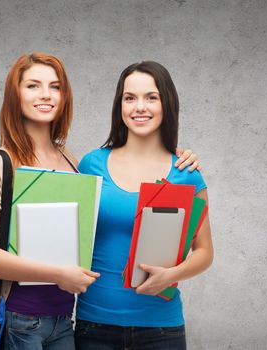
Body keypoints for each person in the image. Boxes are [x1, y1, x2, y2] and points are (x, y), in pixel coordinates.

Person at [0, 53, 202, 349]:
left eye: (55, 86)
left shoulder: (75, 165)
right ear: (15, 96)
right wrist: (58, 274)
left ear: (65, 96)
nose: (46, 95)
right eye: (33, 86)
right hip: (18, 319)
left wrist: (169, 154)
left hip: (64, 321)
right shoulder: (1, 162)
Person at [74, 61, 213, 350]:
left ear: (167, 104)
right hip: (94, 325)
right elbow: (71, 237)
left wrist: (172, 275)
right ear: (119, 105)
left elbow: (204, 252)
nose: (140, 107)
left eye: (151, 97)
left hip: (161, 329)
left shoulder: (186, 173)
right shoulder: (91, 164)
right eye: (130, 98)